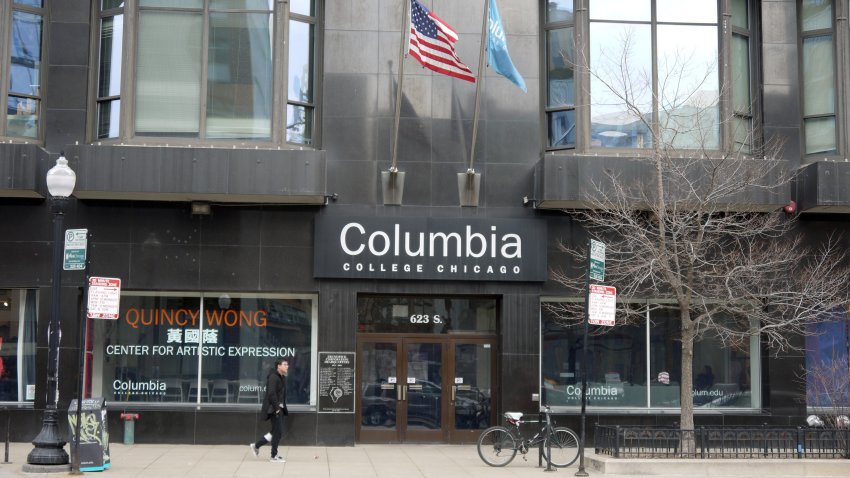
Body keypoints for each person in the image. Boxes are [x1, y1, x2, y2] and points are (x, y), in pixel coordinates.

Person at [250, 359, 288, 463]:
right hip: (273, 409)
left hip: (278, 408)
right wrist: (276, 408)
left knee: (276, 431)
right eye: (285, 364)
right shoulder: (273, 377)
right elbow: (271, 394)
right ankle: (273, 456)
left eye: (287, 364)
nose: (287, 366)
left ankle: (256, 445)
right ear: (278, 366)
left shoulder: (282, 377)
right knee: (278, 432)